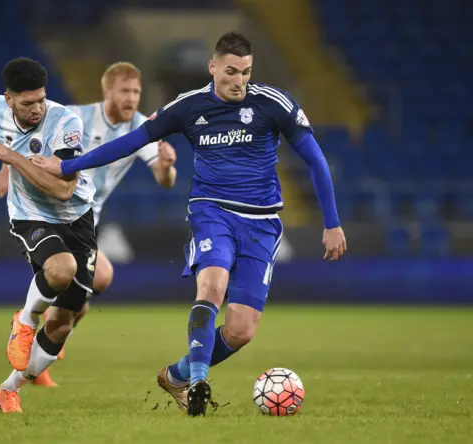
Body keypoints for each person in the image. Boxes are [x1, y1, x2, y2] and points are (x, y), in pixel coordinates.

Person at [34, 32, 348, 416]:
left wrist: (332, 223)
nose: (238, 81)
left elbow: (315, 161)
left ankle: (178, 374)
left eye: (246, 73)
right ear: (213, 67)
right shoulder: (188, 107)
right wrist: (67, 166)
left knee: (241, 331)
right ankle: (199, 381)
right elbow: (131, 141)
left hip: (263, 223)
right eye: (231, 71)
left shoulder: (273, 103)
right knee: (212, 283)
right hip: (211, 211)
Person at [0, 61, 178, 386]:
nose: (132, 98)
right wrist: (8, 168)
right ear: (108, 91)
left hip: (86, 215)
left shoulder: (141, 129)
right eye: (125, 91)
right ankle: (36, 329)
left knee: (94, 287)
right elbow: (25, 128)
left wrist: (167, 166)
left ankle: (44, 333)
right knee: (91, 279)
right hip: (51, 209)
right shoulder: (77, 115)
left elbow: (164, 180)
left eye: (136, 91)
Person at [0, 57, 97, 413]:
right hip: (30, 215)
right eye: (26, 103)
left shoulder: (66, 123)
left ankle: (7, 390)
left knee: (62, 325)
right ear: (9, 100)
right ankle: (24, 320)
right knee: (60, 268)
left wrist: (11, 158)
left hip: (77, 216)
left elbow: (64, 190)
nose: (36, 108)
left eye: (40, 99)